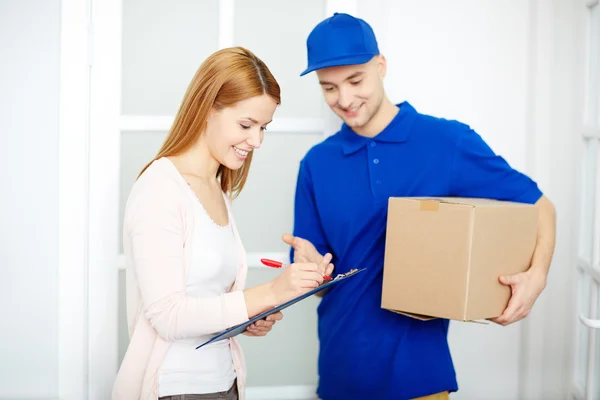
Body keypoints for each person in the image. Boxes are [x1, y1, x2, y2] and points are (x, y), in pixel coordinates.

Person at [283, 13, 557, 400]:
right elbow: (316, 281)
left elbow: (540, 206)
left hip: (420, 374)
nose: (344, 99)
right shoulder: (316, 164)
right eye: (329, 88)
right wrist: (309, 272)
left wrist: (537, 276)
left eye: (355, 81)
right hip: (340, 369)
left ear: (381, 66)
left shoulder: (447, 142)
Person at [112, 46, 334, 400]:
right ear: (205, 109)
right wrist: (268, 292)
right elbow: (168, 315)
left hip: (224, 383)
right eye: (246, 125)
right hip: (174, 389)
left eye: (263, 127)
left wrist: (251, 315)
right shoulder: (159, 189)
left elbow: (206, 302)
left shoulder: (218, 188)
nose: (256, 141)